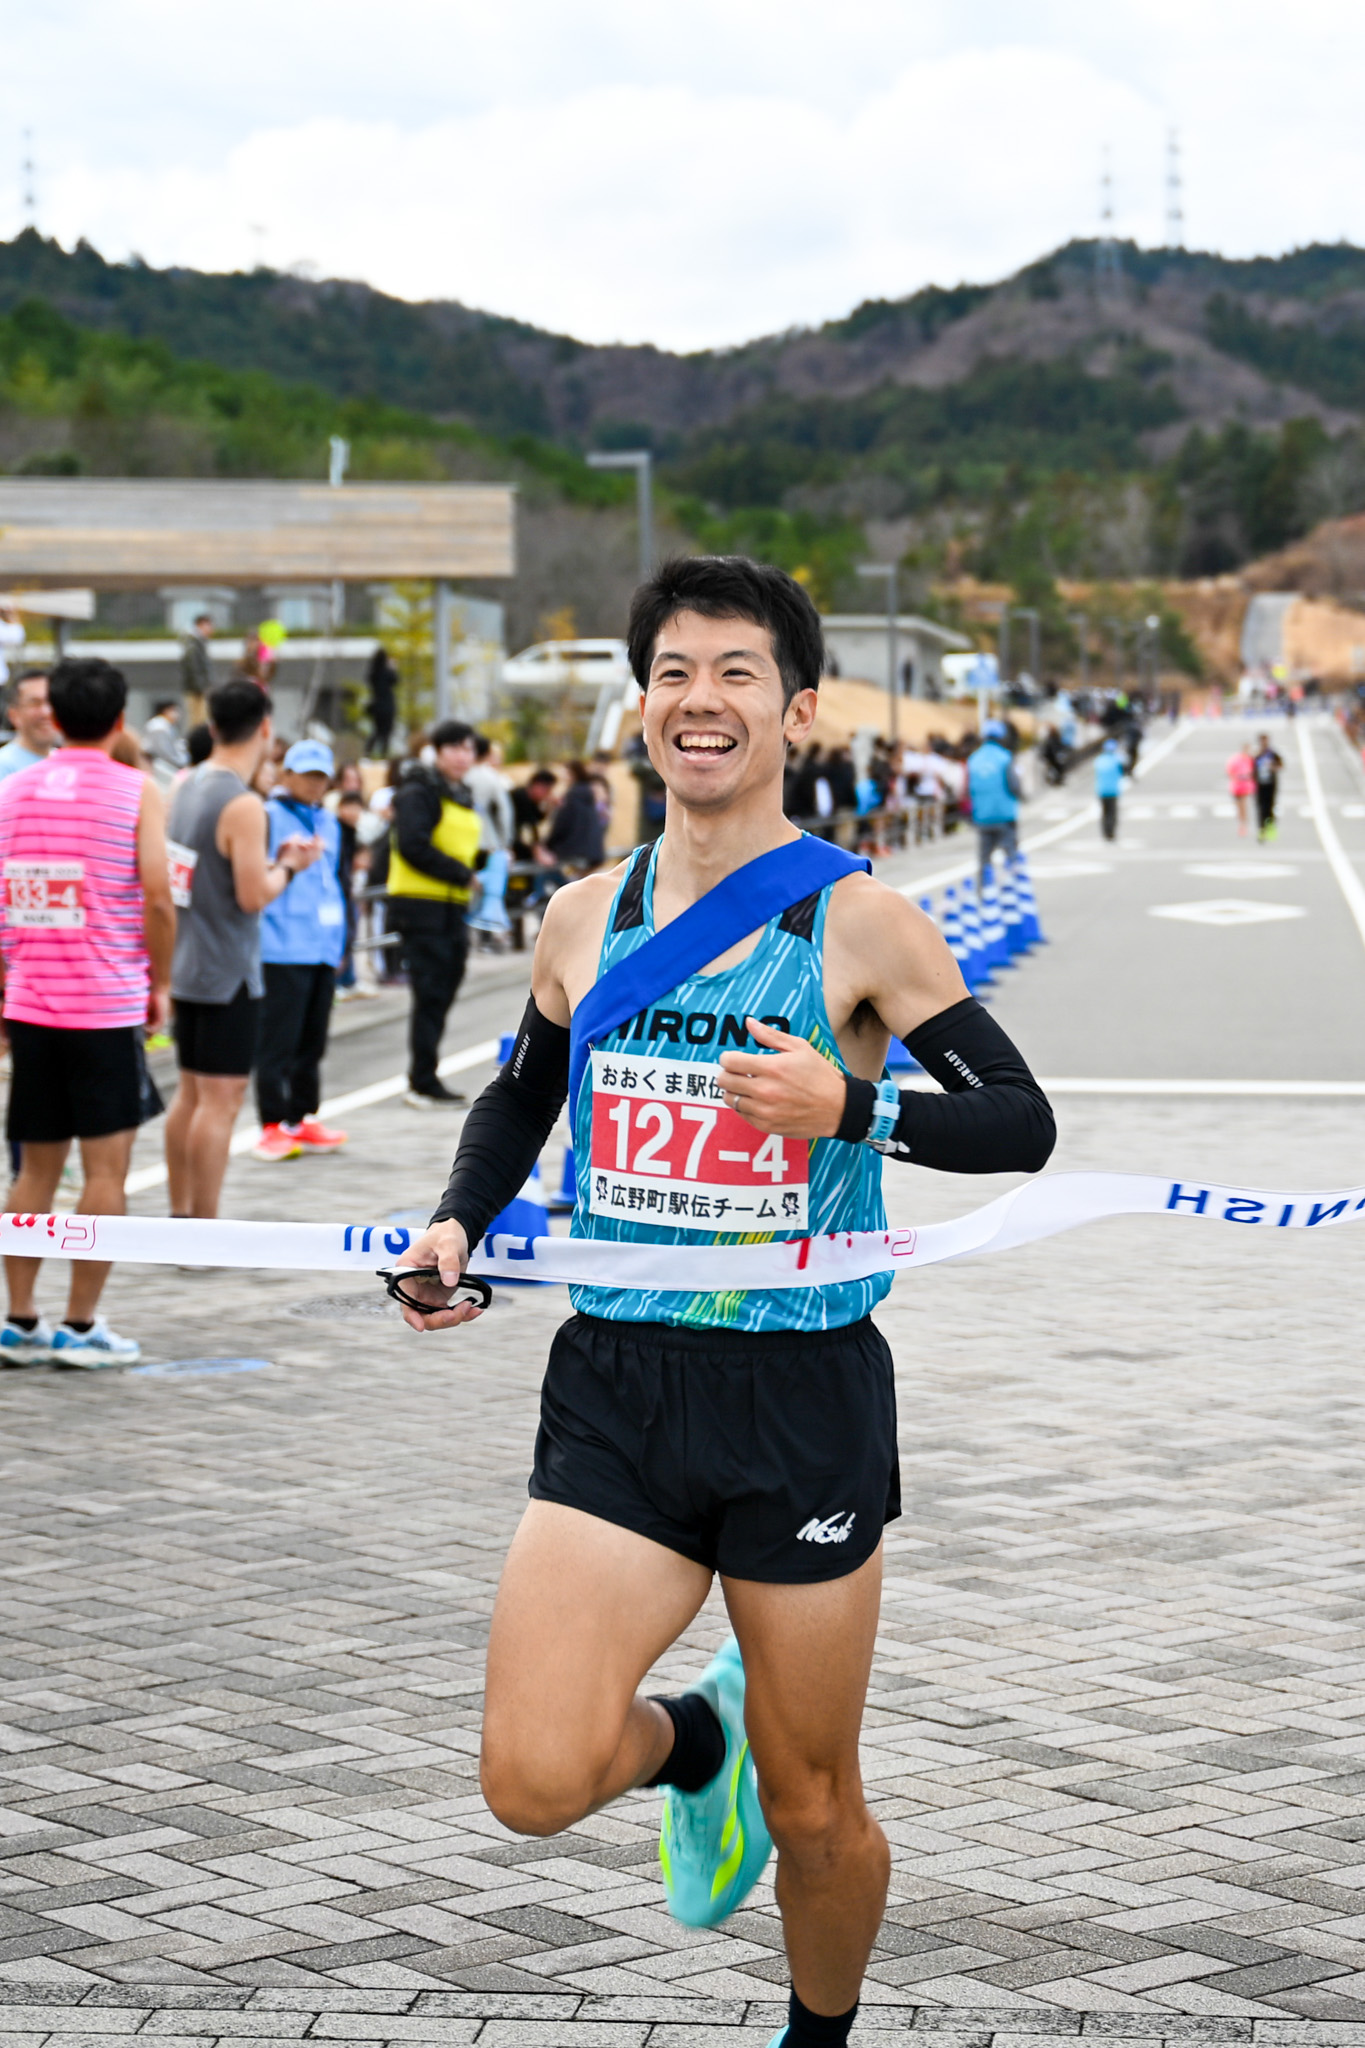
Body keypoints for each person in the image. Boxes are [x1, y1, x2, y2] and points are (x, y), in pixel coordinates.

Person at [391, 556, 1055, 2048]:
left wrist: (852, 1111)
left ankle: (817, 2036)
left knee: (819, 1808)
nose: (703, 700)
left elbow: (1019, 1123)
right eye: (676, 671)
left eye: (738, 673)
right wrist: (455, 1225)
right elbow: (519, 1100)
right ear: (642, 708)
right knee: (534, 1775)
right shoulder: (580, 917)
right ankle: (698, 1738)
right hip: (617, 1390)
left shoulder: (861, 922)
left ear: (798, 709)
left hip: (799, 1402)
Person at [0, 657, 175, 1367]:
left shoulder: (14, 789)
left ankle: (17, 1319)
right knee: (106, 1171)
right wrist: (159, 984)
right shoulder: (137, 789)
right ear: (119, 718)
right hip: (104, 1007)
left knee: (34, 1171)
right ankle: (79, 1326)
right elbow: (159, 898)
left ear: (52, 715)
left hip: (32, 1003)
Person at [163, 680, 320, 1218]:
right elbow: (254, 895)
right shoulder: (242, 802)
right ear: (266, 729)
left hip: (187, 963)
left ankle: (180, 1213)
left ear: (212, 727)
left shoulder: (185, 785)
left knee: (189, 1095)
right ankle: (202, 1226)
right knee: (221, 1100)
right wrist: (289, 867)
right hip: (227, 969)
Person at [253, 739, 351, 1161]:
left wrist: (341, 940)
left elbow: (336, 881)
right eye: (306, 774)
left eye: (321, 776)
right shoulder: (266, 815)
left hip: (321, 944)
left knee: (313, 1039)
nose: (314, 783)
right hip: (280, 944)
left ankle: (302, 1116)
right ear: (285, 774)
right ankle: (273, 1123)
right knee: (279, 1040)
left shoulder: (329, 822)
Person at [387, 718, 481, 1108]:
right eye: (454, 748)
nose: (463, 756)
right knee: (430, 991)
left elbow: (455, 843)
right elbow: (412, 844)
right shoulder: (418, 791)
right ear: (437, 751)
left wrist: (486, 861)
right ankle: (421, 1080)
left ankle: (426, 1074)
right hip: (421, 907)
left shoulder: (459, 794)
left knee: (446, 984)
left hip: (450, 905)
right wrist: (462, 874)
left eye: (468, 748)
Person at [967, 718, 1021, 885]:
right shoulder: (1005, 757)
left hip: (982, 815)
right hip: (1004, 813)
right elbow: (1014, 784)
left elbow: (969, 788)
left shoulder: (973, 759)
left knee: (984, 857)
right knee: (1010, 853)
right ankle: (1014, 889)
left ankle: (984, 892)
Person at [545, 759, 606, 873]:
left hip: (574, 853)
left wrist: (547, 845)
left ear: (572, 774)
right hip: (593, 852)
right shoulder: (587, 795)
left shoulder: (572, 797)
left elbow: (562, 824)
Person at [0, 670, 57, 781]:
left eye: (50, 702)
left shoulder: (64, 762)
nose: (46, 712)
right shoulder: (4, 767)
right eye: (35, 703)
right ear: (13, 715)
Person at [466, 734, 515, 852]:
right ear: (487, 754)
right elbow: (505, 811)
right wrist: (505, 842)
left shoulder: (457, 774)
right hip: (486, 839)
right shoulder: (492, 776)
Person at [142, 697, 189, 791]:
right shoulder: (159, 726)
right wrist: (182, 762)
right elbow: (165, 752)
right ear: (165, 710)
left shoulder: (166, 725)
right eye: (173, 710)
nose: (176, 713)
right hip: (159, 764)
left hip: (164, 763)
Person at [179, 612, 214, 717]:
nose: (211, 629)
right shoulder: (193, 643)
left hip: (198, 688)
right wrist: (201, 687)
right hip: (196, 691)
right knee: (198, 719)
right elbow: (193, 667)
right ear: (201, 624)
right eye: (209, 625)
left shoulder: (198, 642)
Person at [365, 645, 398, 758]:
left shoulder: (373, 673)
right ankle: (384, 754)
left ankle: (368, 752)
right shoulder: (387, 672)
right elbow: (395, 680)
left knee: (377, 731)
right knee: (386, 732)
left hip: (377, 706)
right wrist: (392, 667)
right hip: (387, 705)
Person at [1252, 733, 1284, 841]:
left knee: (1270, 806)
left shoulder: (1272, 754)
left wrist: (1273, 767)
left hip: (1270, 784)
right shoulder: (1257, 755)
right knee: (1261, 807)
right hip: (1259, 785)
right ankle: (1261, 829)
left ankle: (1270, 827)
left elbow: (1280, 765)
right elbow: (1251, 767)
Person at [1094, 736, 1125, 841]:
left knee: (1104, 812)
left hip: (1101, 790)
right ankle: (1111, 833)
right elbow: (1123, 772)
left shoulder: (1099, 760)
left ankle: (1105, 832)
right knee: (1112, 813)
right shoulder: (1117, 760)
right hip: (1113, 791)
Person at [1226, 743, 1256, 837]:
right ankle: (1241, 822)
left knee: (1243, 805)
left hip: (1245, 787)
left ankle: (1243, 825)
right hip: (1236, 786)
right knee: (1239, 807)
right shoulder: (1235, 759)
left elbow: (1255, 772)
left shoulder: (1250, 760)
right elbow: (1229, 771)